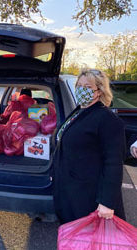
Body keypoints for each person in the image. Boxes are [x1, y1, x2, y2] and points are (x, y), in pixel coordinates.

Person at [53, 68, 126, 224]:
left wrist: (107, 202)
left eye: (87, 87)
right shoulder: (79, 111)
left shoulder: (107, 119)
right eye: (79, 85)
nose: (81, 90)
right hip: (71, 189)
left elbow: (113, 163)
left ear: (99, 91)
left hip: (88, 196)